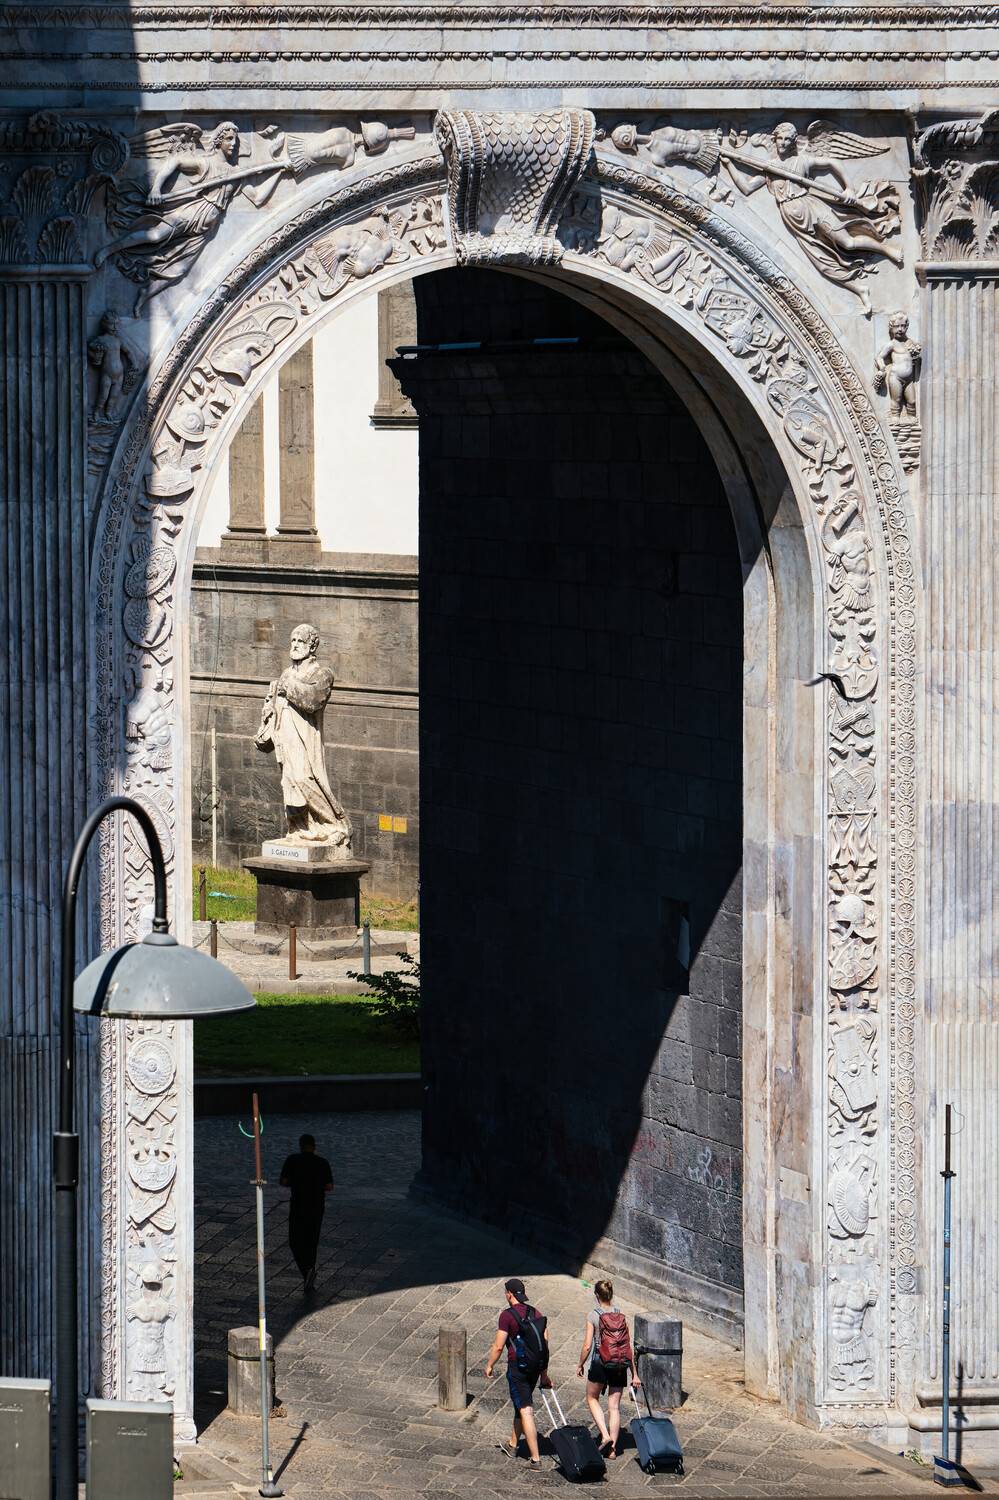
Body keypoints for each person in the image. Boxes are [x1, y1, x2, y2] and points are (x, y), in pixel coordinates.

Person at [484, 1278, 550, 1472]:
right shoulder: (535, 1313)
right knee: (520, 1404)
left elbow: (498, 1346)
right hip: (535, 1367)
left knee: (526, 1409)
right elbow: (545, 1346)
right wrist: (544, 1373)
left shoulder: (507, 1316)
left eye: (506, 1293)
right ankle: (513, 1445)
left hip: (518, 1367)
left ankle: (536, 1459)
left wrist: (489, 1365)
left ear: (509, 1294)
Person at [576, 1279, 640, 1459]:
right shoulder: (620, 1314)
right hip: (619, 1364)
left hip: (600, 1363)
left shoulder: (593, 1315)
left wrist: (580, 1364)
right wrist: (634, 1374)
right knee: (614, 1407)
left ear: (597, 1296)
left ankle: (604, 1436)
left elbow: (588, 1346)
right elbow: (627, 1346)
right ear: (611, 1295)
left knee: (591, 1398)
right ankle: (612, 1450)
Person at [279, 1133, 333, 1294]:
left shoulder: (292, 1160)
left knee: (295, 1241)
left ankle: (306, 1271)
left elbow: (284, 1181)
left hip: (298, 1206)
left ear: (300, 1145)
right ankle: (310, 1271)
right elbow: (329, 1186)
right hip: (316, 1207)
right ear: (314, 1146)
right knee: (312, 1241)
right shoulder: (322, 1163)